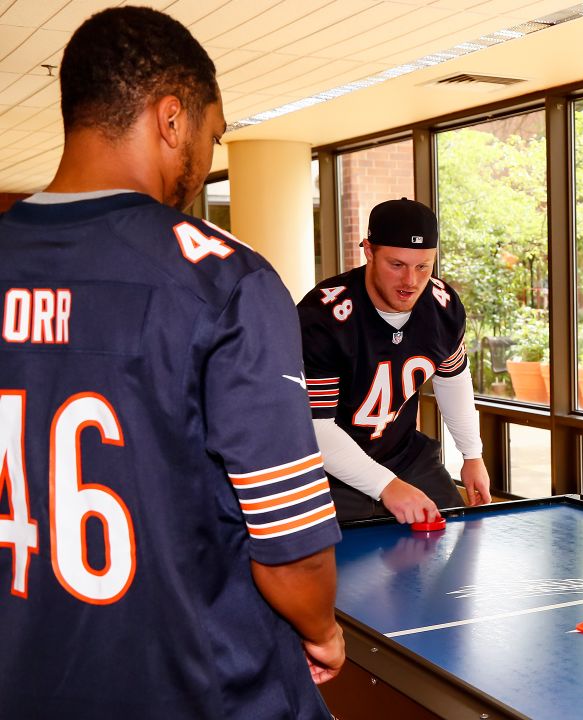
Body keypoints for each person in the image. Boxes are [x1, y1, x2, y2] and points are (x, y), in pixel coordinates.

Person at [0, 7, 343, 718]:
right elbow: (292, 556)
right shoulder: (226, 282)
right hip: (199, 690)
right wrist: (323, 628)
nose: (208, 160)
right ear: (171, 119)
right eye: (213, 136)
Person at [298, 198, 493, 525]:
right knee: (336, 567)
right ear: (369, 251)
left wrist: (472, 455)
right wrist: (386, 486)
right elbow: (315, 428)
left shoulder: (442, 307)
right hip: (329, 469)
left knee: (454, 540)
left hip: (405, 456)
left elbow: (452, 378)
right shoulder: (322, 317)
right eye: (397, 264)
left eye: (423, 267)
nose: (411, 282)